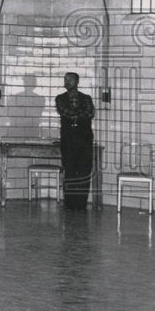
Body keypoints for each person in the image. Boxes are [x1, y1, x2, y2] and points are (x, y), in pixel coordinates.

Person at [55, 72, 95, 211]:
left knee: (84, 171)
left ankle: (81, 204)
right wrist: (80, 116)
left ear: (77, 82)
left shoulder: (86, 98)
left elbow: (90, 112)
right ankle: (70, 204)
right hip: (69, 140)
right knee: (70, 171)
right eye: (65, 79)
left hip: (84, 140)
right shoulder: (60, 98)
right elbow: (64, 111)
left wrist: (75, 117)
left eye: (69, 79)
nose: (66, 81)